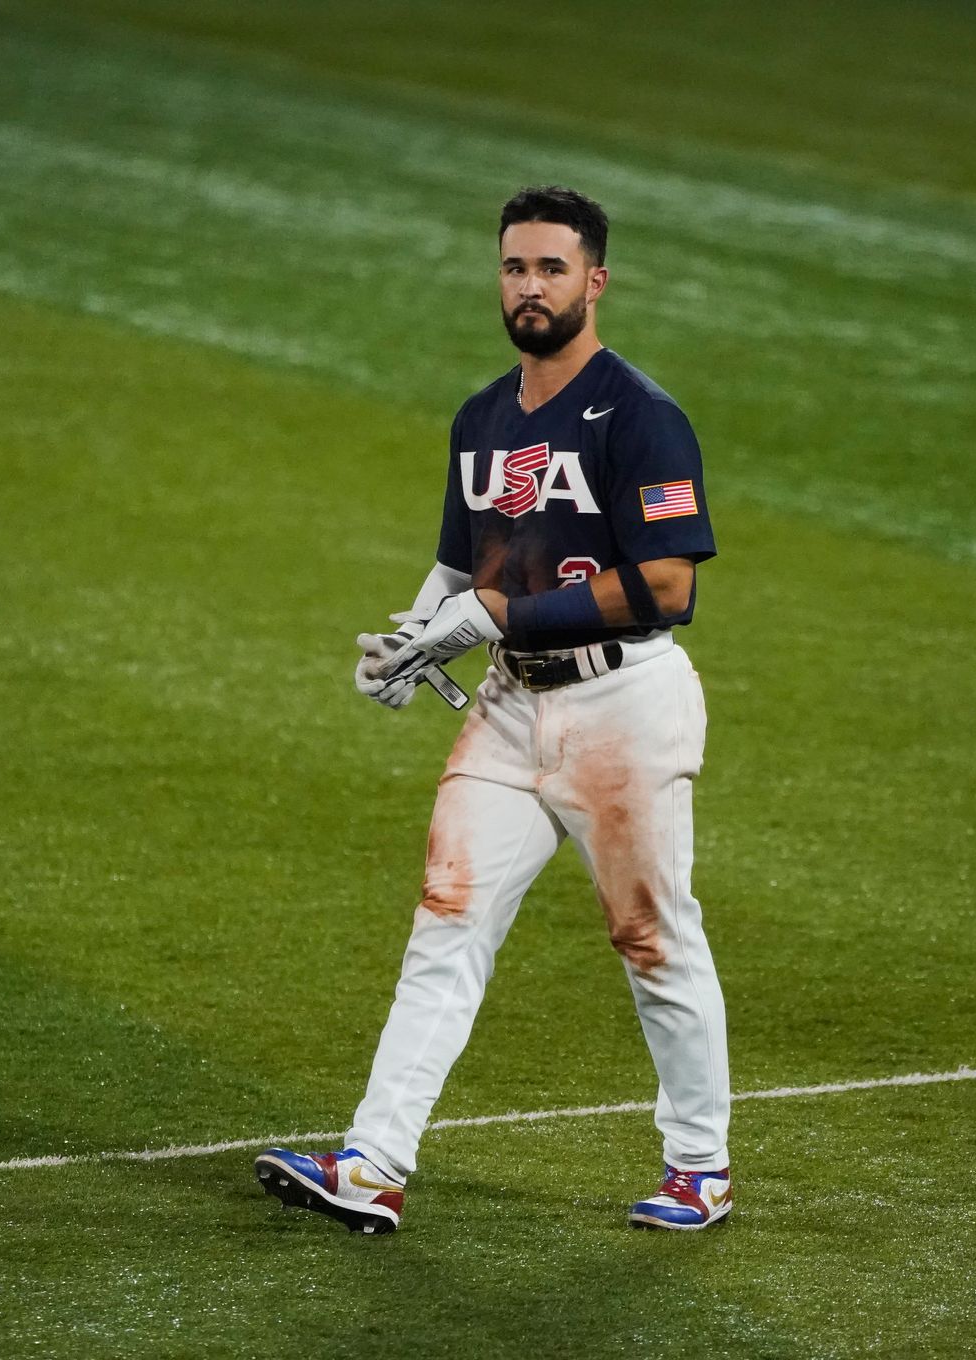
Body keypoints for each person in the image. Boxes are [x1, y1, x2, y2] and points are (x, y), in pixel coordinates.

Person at [254, 186, 732, 1234]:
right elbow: (455, 566)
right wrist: (413, 634)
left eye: (552, 269)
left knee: (652, 937)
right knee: (448, 918)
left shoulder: (643, 417)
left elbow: (668, 589)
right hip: (512, 709)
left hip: (624, 708)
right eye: (515, 267)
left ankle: (699, 1166)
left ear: (594, 282)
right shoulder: (480, 417)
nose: (530, 286)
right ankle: (373, 1165)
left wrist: (496, 610)